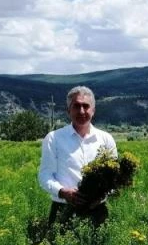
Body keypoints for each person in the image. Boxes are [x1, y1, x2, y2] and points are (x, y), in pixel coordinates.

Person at [38, 86, 117, 226]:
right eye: (76, 106)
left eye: (86, 106)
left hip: (98, 210)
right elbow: (45, 175)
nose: (81, 111)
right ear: (68, 110)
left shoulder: (106, 139)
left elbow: (114, 178)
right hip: (62, 209)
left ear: (93, 110)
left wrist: (101, 196)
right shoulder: (54, 138)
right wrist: (63, 192)